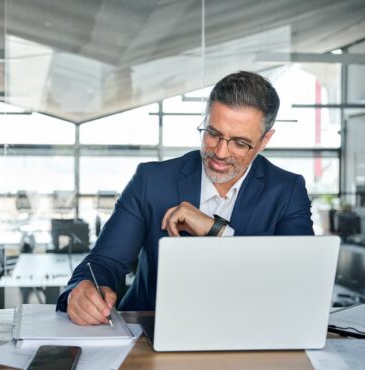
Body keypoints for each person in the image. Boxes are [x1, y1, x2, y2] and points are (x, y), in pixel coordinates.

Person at [57, 71, 314, 326]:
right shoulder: (151, 181)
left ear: (264, 140)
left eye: (239, 143)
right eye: (213, 133)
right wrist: (80, 292)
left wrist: (216, 231)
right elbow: (104, 262)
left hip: (248, 333)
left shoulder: (287, 191)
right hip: (149, 334)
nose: (221, 152)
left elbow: (298, 282)